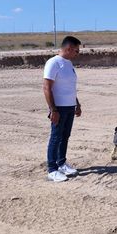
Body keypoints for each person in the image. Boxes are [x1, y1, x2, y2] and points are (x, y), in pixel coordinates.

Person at [42, 36, 82, 182]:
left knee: (65, 136)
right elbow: (47, 87)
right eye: (76, 51)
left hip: (70, 107)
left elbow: (70, 86)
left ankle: (62, 163)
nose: (77, 54)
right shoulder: (53, 63)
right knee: (56, 137)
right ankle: (52, 169)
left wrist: (77, 103)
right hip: (59, 108)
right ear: (69, 48)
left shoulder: (69, 64)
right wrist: (53, 109)